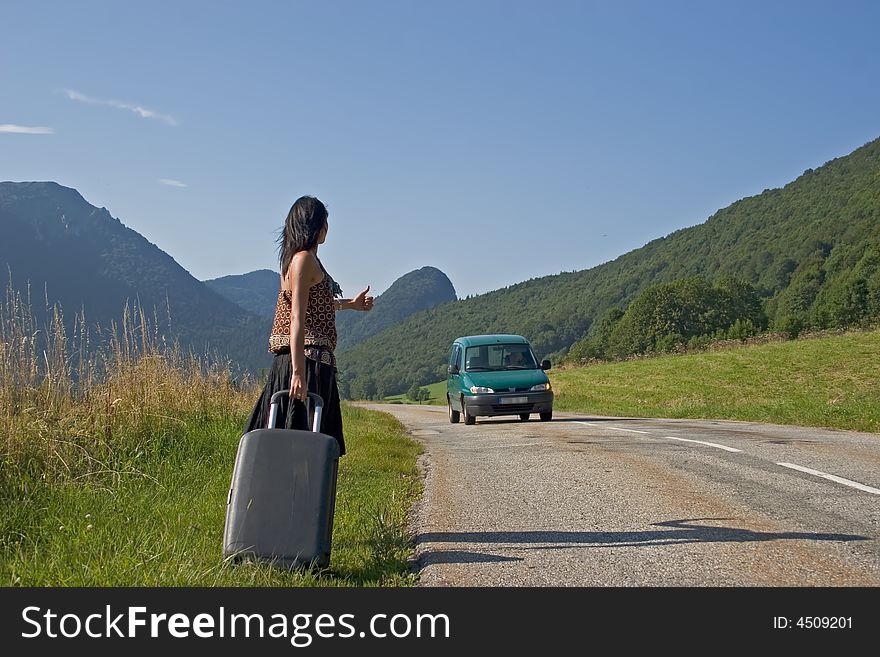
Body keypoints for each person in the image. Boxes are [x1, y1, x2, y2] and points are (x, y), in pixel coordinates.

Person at [244, 195, 373, 455]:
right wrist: (299, 373)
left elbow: (317, 306)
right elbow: (297, 317)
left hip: (306, 363)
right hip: (307, 364)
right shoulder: (303, 259)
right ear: (315, 225)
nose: (327, 228)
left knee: (296, 444)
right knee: (301, 445)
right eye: (325, 222)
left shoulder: (296, 260)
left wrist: (351, 305)